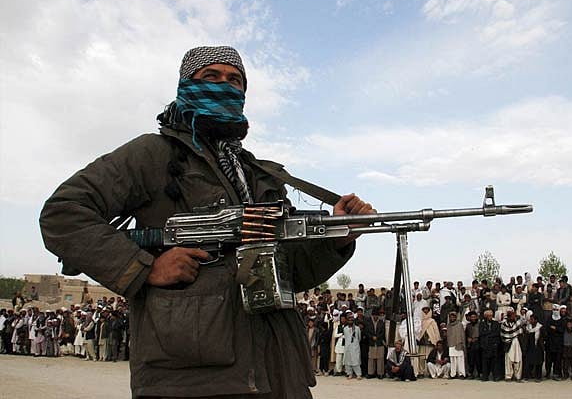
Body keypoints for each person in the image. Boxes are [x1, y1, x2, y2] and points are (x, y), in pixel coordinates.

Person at [40, 46, 374, 398]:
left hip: (278, 373)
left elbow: (290, 272)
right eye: (211, 77)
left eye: (234, 80)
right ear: (186, 85)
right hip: (192, 377)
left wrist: (338, 236)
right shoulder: (152, 154)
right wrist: (145, 268)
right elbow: (63, 213)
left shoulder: (258, 173)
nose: (224, 86)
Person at [500, 308, 523, 382]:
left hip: (517, 343)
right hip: (508, 344)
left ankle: (518, 376)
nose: (513, 317)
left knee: (518, 360)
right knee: (508, 360)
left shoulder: (517, 322)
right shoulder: (504, 324)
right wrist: (509, 339)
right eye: (511, 316)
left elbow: (520, 332)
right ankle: (508, 376)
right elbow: (503, 335)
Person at [479, 309, 501, 381]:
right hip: (485, 345)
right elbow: (481, 333)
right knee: (485, 362)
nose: (490, 317)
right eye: (489, 316)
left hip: (494, 345)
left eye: (491, 315)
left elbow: (497, 333)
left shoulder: (496, 323)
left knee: (494, 361)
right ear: (485, 316)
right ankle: (485, 376)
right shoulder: (482, 324)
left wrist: (488, 333)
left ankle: (495, 376)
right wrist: (490, 333)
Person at [523, 312, 544, 382]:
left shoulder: (540, 327)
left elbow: (543, 337)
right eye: (530, 319)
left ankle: (538, 377)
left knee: (538, 362)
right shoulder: (528, 328)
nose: (530, 321)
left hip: (538, 347)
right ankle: (527, 376)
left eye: (532, 319)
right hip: (529, 347)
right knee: (528, 362)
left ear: (536, 320)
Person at [364, 308, 385, 379]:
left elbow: (383, 332)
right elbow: (366, 332)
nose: (375, 317)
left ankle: (380, 373)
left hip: (379, 342)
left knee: (380, 358)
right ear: (372, 315)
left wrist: (377, 337)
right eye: (374, 315)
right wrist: (372, 337)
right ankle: (371, 373)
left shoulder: (381, 322)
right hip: (371, 342)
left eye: (377, 315)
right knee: (371, 358)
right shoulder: (368, 322)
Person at [446, 311, 466, 378]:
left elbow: (462, 335)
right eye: (451, 317)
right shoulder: (448, 325)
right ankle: (453, 374)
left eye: (453, 317)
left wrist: (463, 344)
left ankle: (461, 374)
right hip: (451, 344)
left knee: (460, 360)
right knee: (452, 360)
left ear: (456, 317)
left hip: (459, 343)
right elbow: (448, 336)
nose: (452, 318)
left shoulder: (460, 324)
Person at [343, 313, 362, 380]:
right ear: (347, 321)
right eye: (349, 320)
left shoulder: (357, 328)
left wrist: (355, 344)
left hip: (355, 346)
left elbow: (359, 338)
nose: (350, 321)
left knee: (356, 360)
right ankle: (349, 374)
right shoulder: (345, 328)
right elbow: (345, 337)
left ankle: (358, 374)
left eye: (352, 320)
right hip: (347, 347)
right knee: (348, 361)